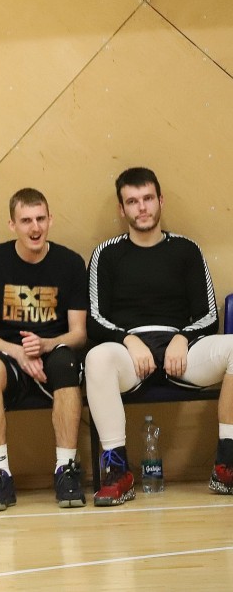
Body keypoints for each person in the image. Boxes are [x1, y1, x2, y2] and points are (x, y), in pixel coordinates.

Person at [86, 167, 233, 506]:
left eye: (148, 198)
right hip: (128, 355)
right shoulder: (106, 254)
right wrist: (128, 339)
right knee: (96, 357)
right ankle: (118, 472)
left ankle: (226, 464)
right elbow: (94, 319)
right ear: (122, 209)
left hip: (182, 352)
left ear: (160, 201)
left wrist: (183, 337)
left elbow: (209, 315)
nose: (142, 207)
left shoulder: (186, 249)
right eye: (132, 201)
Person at [0, 188, 88, 511]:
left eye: (41, 219)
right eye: (26, 220)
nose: (35, 227)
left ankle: (66, 469)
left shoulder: (71, 263)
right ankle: (0, 473)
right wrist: (17, 352)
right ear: (12, 224)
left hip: (53, 350)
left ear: (50, 220)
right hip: (7, 354)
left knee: (66, 362)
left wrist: (46, 344)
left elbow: (78, 334)